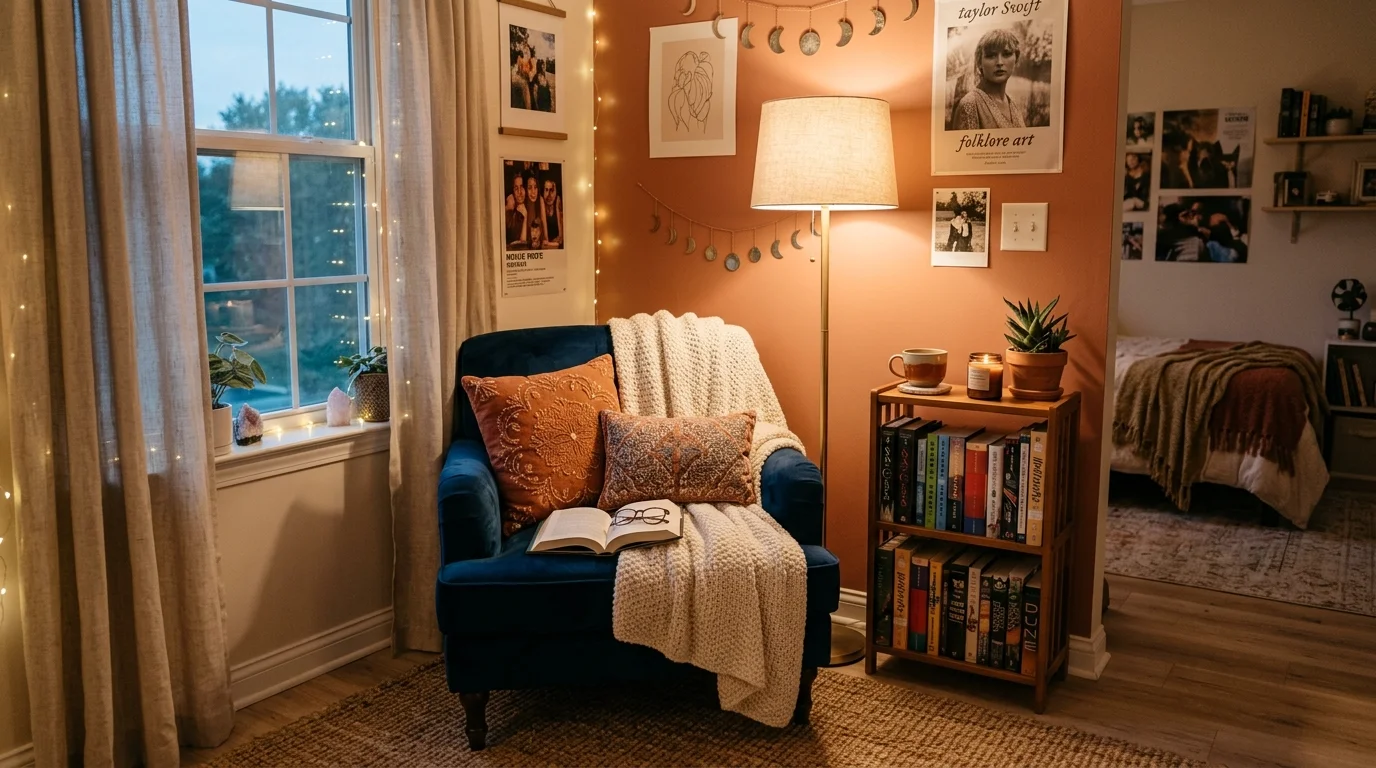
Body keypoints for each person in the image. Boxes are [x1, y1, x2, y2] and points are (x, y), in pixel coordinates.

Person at [951, 29, 1026, 131]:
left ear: (1016, 59)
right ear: (979, 63)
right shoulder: (970, 105)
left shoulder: (1014, 105)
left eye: (1006, 54)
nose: (999, 62)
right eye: (991, 56)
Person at [539, 175, 564, 248]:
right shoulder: (541, 203)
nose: (548, 195)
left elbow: (560, 238)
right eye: (546, 190)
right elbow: (544, 241)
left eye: (552, 190)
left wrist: (551, 244)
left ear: (556, 192)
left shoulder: (558, 203)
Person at [505, 172, 529, 248]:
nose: (519, 192)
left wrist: (525, 217)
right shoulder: (510, 209)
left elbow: (523, 243)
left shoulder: (529, 207)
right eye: (516, 189)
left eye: (521, 187)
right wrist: (506, 208)